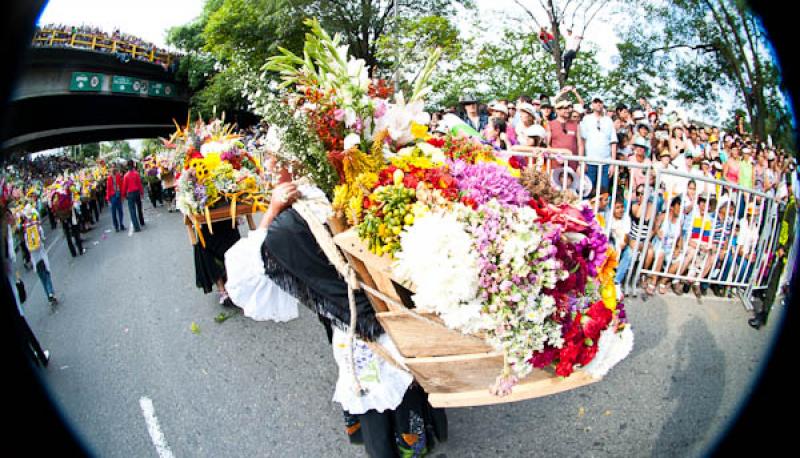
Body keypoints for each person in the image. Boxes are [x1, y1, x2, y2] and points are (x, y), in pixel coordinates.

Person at [260, 182, 447, 457]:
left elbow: (251, 260)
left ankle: (390, 446)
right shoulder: (349, 205)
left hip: (353, 325)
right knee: (398, 380)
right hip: (383, 315)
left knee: (372, 389)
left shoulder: (286, 233)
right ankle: (412, 444)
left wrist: (272, 210)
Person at [749, 183, 795, 329]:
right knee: (772, 282)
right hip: (785, 250)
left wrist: (784, 248)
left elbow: (792, 230)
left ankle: (762, 317)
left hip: (786, 254)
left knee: (774, 284)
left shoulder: (794, 206)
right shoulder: (791, 203)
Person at [580, 97, 617, 195]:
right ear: (592, 104)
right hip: (590, 162)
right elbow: (582, 141)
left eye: (600, 102)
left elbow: (613, 142)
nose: (598, 104)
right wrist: (582, 161)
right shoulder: (586, 119)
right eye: (596, 102)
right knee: (587, 191)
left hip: (606, 163)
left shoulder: (608, 120)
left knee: (603, 192)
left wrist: (612, 164)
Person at [20, 205, 57, 304]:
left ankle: (48, 294)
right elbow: (43, 238)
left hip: (34, 258)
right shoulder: (38, 227)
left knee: (42, 277)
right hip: (41, 254)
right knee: (47, 274)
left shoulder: (25, 232)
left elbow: (27, 246)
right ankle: (51, 292)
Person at [547, 99, 584, 166]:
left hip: (573, 164)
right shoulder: (550, 124)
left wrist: (580, 164)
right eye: (565, 108)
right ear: (557, 110)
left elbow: (580, 145)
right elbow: (547, 145)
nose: (568, 110)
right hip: (556, 164)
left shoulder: (576, 124)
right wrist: (556, 156)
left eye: (568, 108)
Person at [122, 160, 145, 232]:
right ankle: (142, 222)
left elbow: (124, 187)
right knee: (139, 207)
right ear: (133, 165)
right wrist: (142, 193)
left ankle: (137, 227)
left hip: (130, 194)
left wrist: (123, 195)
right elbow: (139, 184)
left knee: (132, 211)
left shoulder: (126, 176)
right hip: (137, 192)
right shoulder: (136, 174)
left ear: (127, 166)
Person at [106, 165, 126, 232]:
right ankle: (120, 225)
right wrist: (122, 196)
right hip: (116, 196)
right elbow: (121, 186)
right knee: (119, 212)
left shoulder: (111, 178)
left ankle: (117, 226)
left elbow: (108, 189)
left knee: (114, 212)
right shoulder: (116, 177)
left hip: (114, 196)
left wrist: (108, 199)